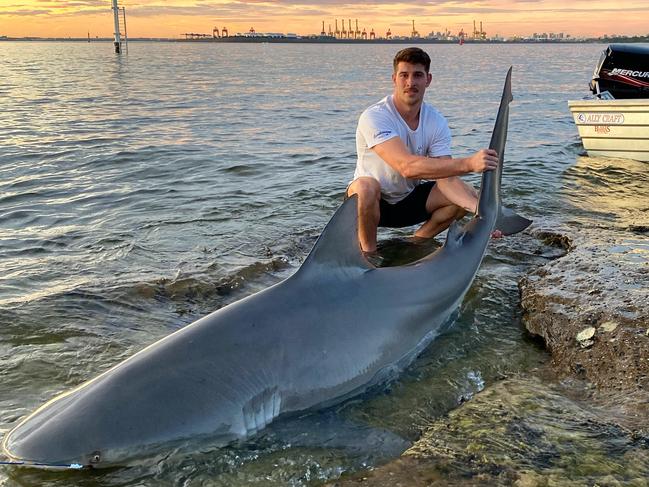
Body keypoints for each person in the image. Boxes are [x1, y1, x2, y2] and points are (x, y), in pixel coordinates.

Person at [347, 47, 500, 254]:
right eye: (404, 75)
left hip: (406, 201)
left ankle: (413, 244)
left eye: (417, 75)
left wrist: (482, 213)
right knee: (365, 186)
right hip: (369, 204)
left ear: (428, 79)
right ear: (394, 79)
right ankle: (368, 255)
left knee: (465, 196)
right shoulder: (375, 116)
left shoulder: (435, 120)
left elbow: (447, 178)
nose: (410, 82)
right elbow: (406, 167)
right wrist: (470, 164)